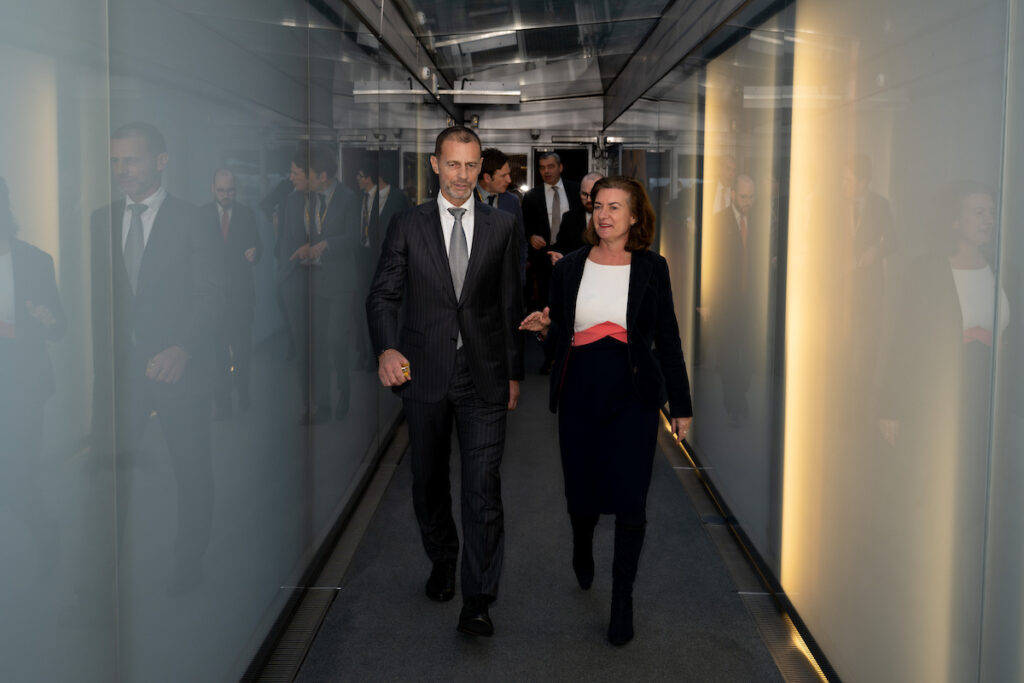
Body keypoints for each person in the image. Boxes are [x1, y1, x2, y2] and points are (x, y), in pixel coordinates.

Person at [519, 176, 693, 646]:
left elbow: (669, 339)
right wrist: (543, 329)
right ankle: (581, 539)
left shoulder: (653, 268)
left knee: (631, 497)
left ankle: (622, 600)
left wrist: (681, 404)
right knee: (583, 494)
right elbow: (558, 334)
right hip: (580, 389)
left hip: (633, 393)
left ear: (635, 217)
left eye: (616, 207)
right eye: (599, 206)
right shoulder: (569, 267)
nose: (604, 215)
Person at [366, 125, 524, 637]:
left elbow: (507, 307)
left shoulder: (501, 227)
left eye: (472, 165)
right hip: (423, 373)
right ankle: (442, 558)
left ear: (482, 168)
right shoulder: (407, 224)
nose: (462, 175)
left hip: (483, 376)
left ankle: (478, 598)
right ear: (435, 164)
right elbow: (384, 294)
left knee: (483, 489)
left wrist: (514, 372)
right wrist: (388, 346)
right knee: (428, 482)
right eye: (453, 164)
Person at [90, 122, 222, 594]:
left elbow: (212, 294)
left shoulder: (193, 219)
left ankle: (189, 562)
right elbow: (104, 307)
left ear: (160, 161)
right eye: (116, 161)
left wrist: (183, 347)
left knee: (191, 471)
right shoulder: (100, 220)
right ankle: (101, 578)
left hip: (180, 374)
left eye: (133, 159)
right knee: (108, 480)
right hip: (123, 376)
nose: (122, 170)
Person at [0, 175, 65, 575]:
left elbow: (60, 328)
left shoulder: (34, 260)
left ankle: (46, 533)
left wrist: (45, 319)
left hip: (23, 387)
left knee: (18, 479)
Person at [280, 144, 359, 423]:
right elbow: (288, 238)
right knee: (318, 345)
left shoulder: (348, 198)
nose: (294, 178)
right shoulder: (298, 199)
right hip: (309, 281)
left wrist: (324, 245)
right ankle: (322, 404)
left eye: (301, 174)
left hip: (337, 282)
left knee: (335, 341)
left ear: (322, 176)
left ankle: (344, 393)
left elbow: (354, 237)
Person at [202, 169, 263, 417]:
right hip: (214, 298)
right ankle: (223, 400)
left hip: (240, 297)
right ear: (213, 189)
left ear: (236, 190)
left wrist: (255, 253)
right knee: (217, 353)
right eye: (221, 190)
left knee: (242, 350)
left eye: (230, 190)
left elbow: (258, 245)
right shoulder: (202, 215)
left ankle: (243, 390)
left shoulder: (246, 214)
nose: (226, 195)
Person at [474, 147, 527, 282]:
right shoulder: (466, 200)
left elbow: (520, 242)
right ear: (487, 177)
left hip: (505, 282)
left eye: (508, 174)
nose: (509, 180)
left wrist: (519, 278)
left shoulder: (512, 201)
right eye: (503, 176)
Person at [547, 171, 603, 265]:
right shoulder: (569, 218)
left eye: (593, 194)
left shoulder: (612, 218)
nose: (588, 200)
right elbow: (561, 246)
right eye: (584, 194)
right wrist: (558, 255)